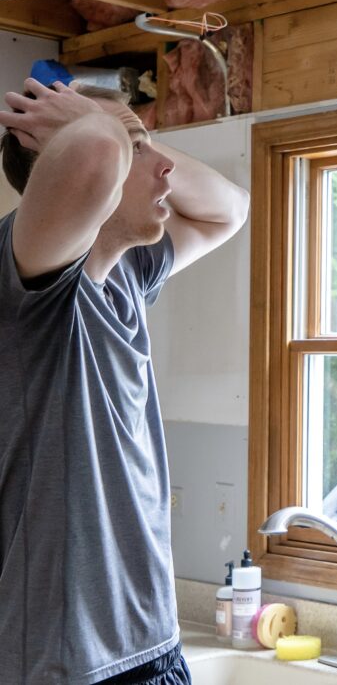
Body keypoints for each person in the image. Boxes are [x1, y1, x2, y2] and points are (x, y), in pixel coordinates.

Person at [0, 77, 250, 684]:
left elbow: (229, 208)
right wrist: (102, 128)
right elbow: (91, 157)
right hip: (67, 664)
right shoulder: (30, 276)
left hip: (153, 647)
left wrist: (126, 133)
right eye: (140, 150)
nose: (167, 168)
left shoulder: (128, 277)